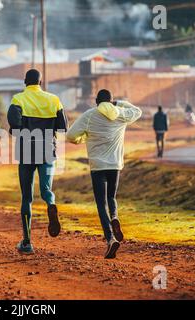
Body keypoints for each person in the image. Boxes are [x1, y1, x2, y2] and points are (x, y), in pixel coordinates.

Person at [66, 89, 141, 259]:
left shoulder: (89, 115)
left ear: (96, 102)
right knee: (111, 198)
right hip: (115, 165)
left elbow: (70, 135)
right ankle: (115, 216)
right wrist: (119, 103)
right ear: (111, 101)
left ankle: (110, 239)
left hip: (97, 166)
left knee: (101, 204)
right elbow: (138, 111)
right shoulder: (121, 113)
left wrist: (83, 138)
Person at [7, 69, 68, 254]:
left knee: (27, 197)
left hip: (26, 151)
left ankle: (26, 242)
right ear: (41, 82)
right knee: (46, 189)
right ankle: (51, 204)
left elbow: (15, 125)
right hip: (48, 149)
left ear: (25, 81)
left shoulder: (18, 99)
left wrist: (14, 131)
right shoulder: (54, 100)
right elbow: (63, 126)